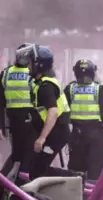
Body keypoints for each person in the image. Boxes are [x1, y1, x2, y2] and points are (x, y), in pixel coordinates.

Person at [24, 45, 72, 180]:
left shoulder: (46, 86)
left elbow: (53, 112)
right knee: (36, 167)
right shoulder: (43, 83)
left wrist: (42, 138)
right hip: (55, 133)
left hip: (56, 135)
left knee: (37, 170)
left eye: (30, 63)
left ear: (39, 65)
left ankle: (76, 179)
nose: (28, 66)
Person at [64, 59, 103, 182]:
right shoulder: (99, 89)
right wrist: (97, 122)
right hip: (95, 134)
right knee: (96, 171)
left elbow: (62, 110)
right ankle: (94, 199)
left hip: (76, 135)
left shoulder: (70, 88)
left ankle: (76, 199)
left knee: (76, 173)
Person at [0, 44, 37, 174]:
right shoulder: (35, 73)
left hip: (29, 122)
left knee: (24, 156)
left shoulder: (7, 73)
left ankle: (8, 182)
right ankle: (9, 183)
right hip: (20, 123)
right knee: (22, 156)